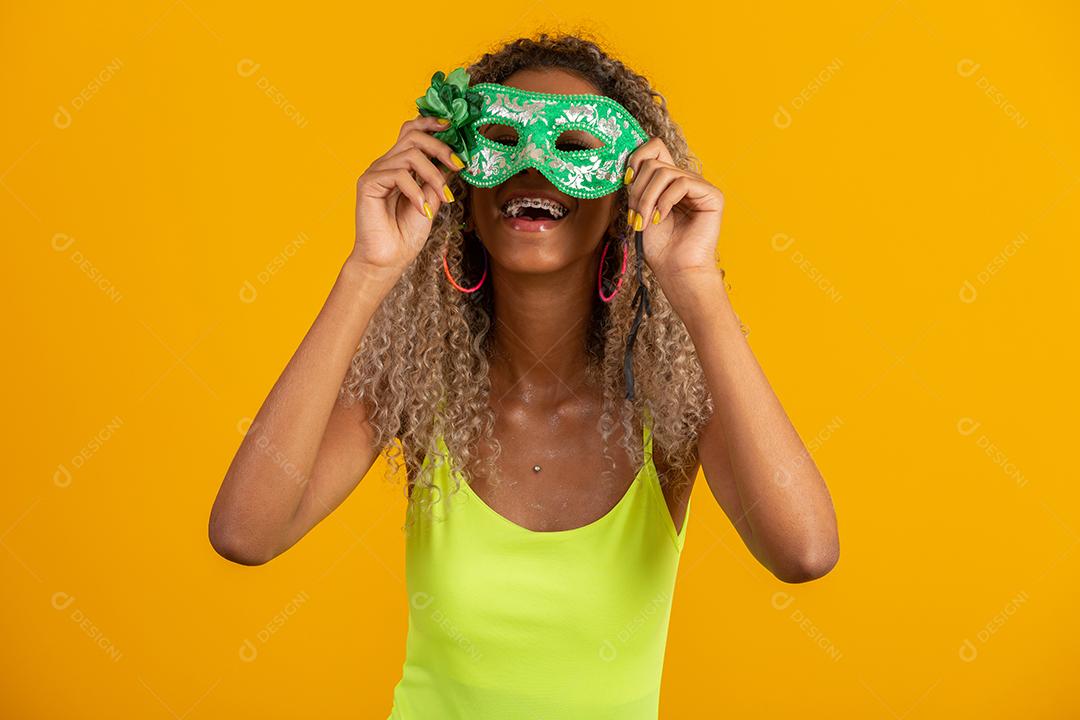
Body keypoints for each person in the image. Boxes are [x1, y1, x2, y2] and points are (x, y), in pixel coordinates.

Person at [209, 31, 839, 720]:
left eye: (573, 148)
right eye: (503, 140)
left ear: (626, 197)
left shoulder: (671, 409)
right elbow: (246, 533)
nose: (533, 167)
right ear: (459, 187)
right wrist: (368, 271)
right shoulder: (421, 394)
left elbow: (804, 552)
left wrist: (697, 285)